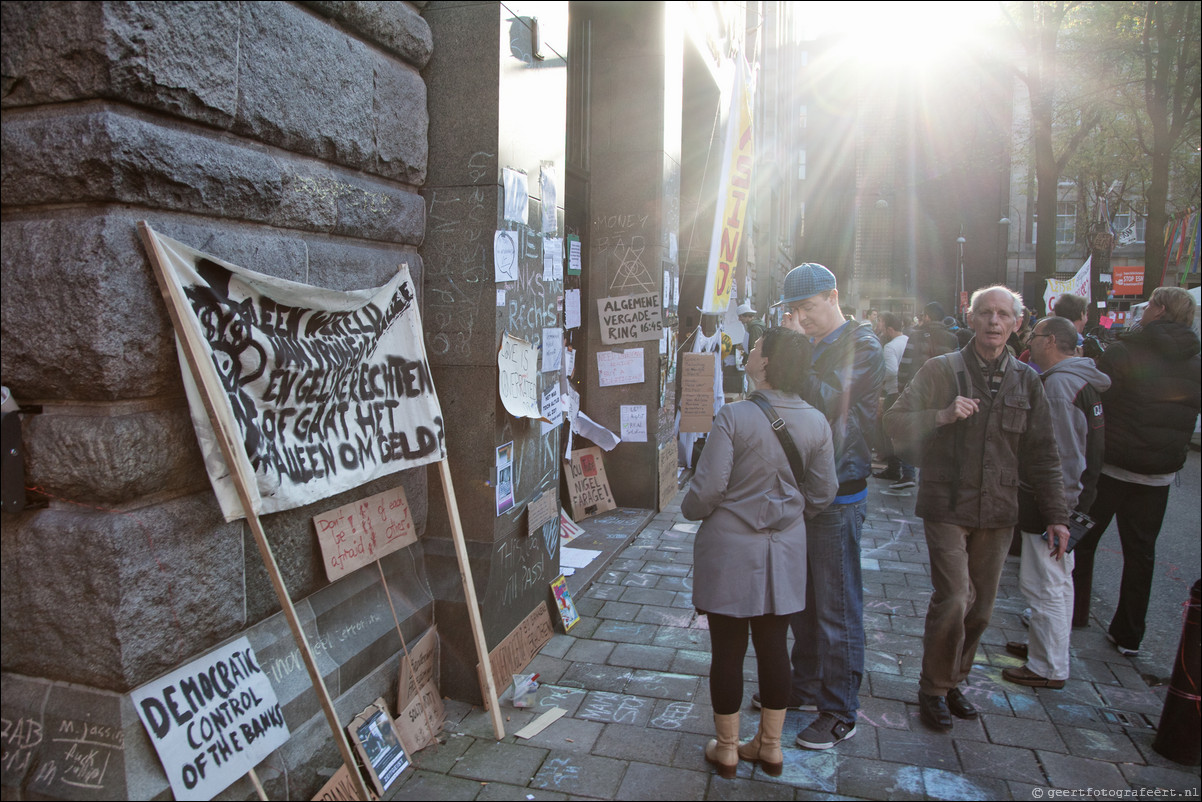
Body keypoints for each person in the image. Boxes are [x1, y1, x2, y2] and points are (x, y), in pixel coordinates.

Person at [885, 285, 1068, 732]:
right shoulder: (940, 369)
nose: (993, 321)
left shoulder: (1027, 381)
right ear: (970, 319)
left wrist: (1058, 514)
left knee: (981, 608)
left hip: (999, 509)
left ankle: (953, 680)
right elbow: (892, 423)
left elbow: (1044, 453)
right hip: (947, 503)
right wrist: (941, 415)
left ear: (1017, 323)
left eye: (1003, 314)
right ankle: (933, 688)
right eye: (985, 313)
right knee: (953, 598)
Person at [682, 328, 838, 778]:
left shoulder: (734, 416)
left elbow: (706, 491)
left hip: (730, 547)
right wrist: (790, 513)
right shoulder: (816, 421)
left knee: (727, 650)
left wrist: (694, 509)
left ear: (766, 362)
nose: (748, 353)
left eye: (755, 349)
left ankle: (727, 748)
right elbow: (824, 492)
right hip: (785, 549)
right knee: (775, 647)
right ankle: (770, 747)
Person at [764, 262, 883, 751]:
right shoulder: (812, 343)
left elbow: (830, 401)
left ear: (833, 296)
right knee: (803, 600)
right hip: (802, 486)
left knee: (837, 605)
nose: (802, 318)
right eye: (794, 311)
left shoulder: (864, 346)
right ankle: (807, 684)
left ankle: (839, 709)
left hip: (840, 489)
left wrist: (797, 351)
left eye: (808, 308)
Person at [1071, 286, 1201, 655]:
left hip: (1113, 467)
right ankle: (1129, 634)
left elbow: (1098, 399)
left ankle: (1074, 612)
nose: (1142, 311)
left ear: (1159, 311)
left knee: (1082, 540)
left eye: (1149, 305)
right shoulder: (1196, 362)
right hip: (1158, 475)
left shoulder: (1124, 351)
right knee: (1141, 553)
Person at [1004, 315, 1109, 689]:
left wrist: (1056, 511)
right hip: (1066, 500)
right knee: (1058, 581)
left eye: (1034, 335)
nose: (1029, 341)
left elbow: (1061, 454)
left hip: (1051, 503)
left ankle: (1046, 665)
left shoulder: (1059, 386)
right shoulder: (1078, 380)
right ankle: (1047, 651)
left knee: (1044, 582)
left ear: (1050, 341)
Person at [892, 302, 957, 489]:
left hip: (918, 391)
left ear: (927, 317)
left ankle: (909, 473)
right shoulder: (952, 338)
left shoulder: (916, 335)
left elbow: (906, 364)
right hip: (944, 393)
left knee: (911, 431)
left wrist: (901, 389)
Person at [873, 312, 909, 481]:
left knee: (890, 432)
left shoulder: (890, 347)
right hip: (907, 391)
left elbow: (892, 370)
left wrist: (880, 380)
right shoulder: (908, 340)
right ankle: (903, 470)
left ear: (889, 328)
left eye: (881, 322)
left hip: (893, 392)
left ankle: (894, 469)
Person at [737, 301, 766, 367]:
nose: (739, 319)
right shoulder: (751, 327)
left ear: (746, 315)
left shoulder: (754, 328)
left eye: (741, 317)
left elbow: (755, 348)